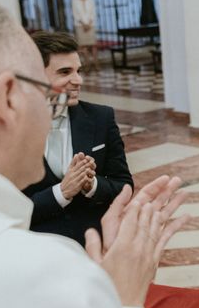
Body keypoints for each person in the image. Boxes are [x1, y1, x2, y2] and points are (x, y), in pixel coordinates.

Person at [0, 2, 199, 308]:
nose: (71, 86)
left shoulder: (98, 118)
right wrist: (122, 304)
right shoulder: (42, 272)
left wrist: (92, 188)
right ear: (8, 96)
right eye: (45, 91)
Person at [23, 31, 133, 246]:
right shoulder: (9, 129)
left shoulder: (101, 118)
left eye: (78, 71)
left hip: (95, 243)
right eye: (65, 72)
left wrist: (91, 185)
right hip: (37, 247)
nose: (78, 80)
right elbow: (6, 211)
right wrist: (61, 193)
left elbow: (123, 185)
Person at [71, 0, 99, 73]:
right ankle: (87, 63)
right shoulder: (74, 0)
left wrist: (89, 23)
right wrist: (83, 24)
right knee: (83, 45)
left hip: (91, 24)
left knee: (93, 44)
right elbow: (75, 14)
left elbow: (93, 13)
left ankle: (95, 62)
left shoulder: (90, 0)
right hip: (80, 25)